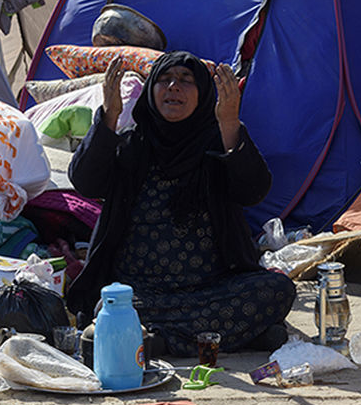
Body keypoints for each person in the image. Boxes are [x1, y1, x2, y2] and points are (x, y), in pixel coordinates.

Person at [66, 51, 295, 356]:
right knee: (107, 306)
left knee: (277, 290)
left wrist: (229, 123)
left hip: (211, 287)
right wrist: (109, 116)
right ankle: (236, 336)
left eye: (186, 81)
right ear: (151, 91)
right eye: (164, 79)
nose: (174, 86)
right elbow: (85, 181)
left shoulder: (218, 142)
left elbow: (253, 191)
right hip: (139, 293)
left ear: (202, 96)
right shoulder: (133, 143)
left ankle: (161, 341)